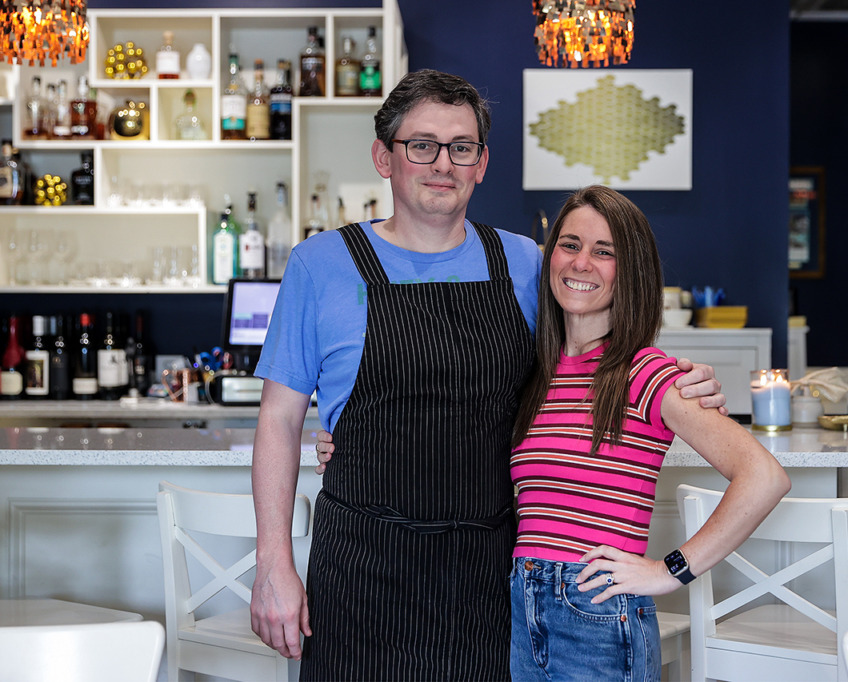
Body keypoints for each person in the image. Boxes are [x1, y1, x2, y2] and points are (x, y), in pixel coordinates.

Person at [251, 69, 726, 681]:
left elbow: (588, 362)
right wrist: (274, 562)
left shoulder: (525, 262)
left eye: (461, 148)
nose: (441, 163)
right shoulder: (321, 264)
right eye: (421, 145)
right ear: (383, 156)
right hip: (361, 566)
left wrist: (683, 378)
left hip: (490, 574)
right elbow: (279, 419)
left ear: (481, 164)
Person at [508, 185, 792, 681]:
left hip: (595, 615)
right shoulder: (536, 375)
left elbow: (764, 476)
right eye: (570, 244)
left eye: (605, 252)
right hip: (518, 610)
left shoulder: (648, 374)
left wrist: (668, 570)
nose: (581, 263)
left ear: (631, 271)